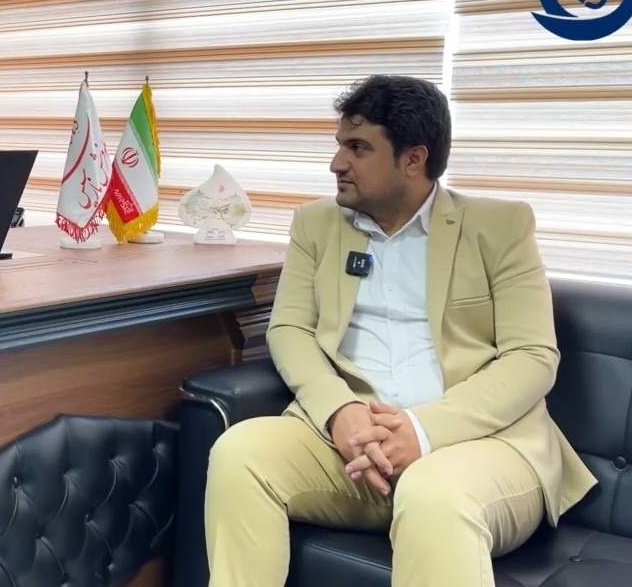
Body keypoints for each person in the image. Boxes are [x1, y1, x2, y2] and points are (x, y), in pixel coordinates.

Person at [203, 75, 596, 586]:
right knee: (238, 454)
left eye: (358, 148)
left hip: (480, 446)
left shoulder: (500, 227)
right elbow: (289, 330)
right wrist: (338, 411)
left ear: (414, 159)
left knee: (433, 492)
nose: (336, 163)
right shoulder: (316, 225)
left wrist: (422, 430)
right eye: (339, 144)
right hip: (351, 446)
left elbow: (533, 357)